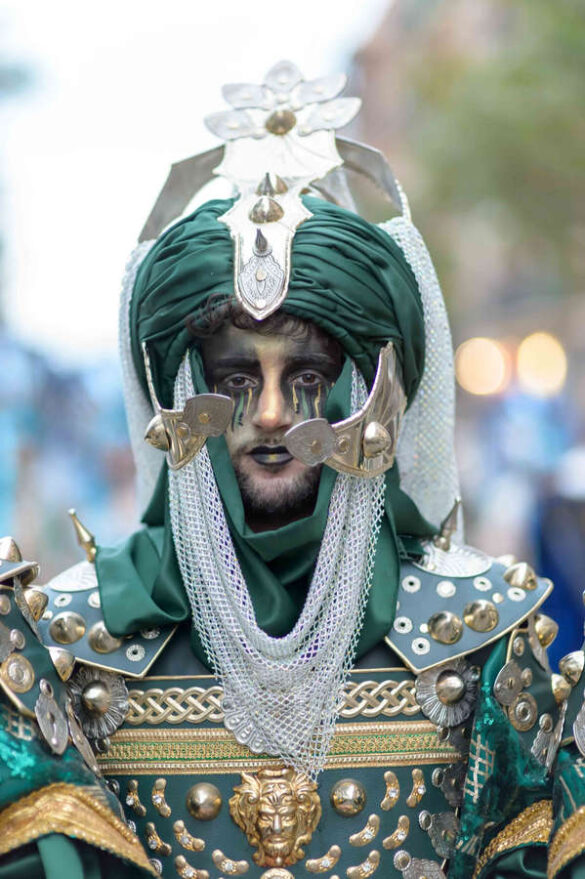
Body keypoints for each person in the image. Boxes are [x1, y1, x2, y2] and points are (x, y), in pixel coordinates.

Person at [1, 60, 584, 879]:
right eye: (237, 379)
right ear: (184, 392)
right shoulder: (70, 644)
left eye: (306, 376)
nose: (272, 414)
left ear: (364, 393)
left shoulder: (480, 633)